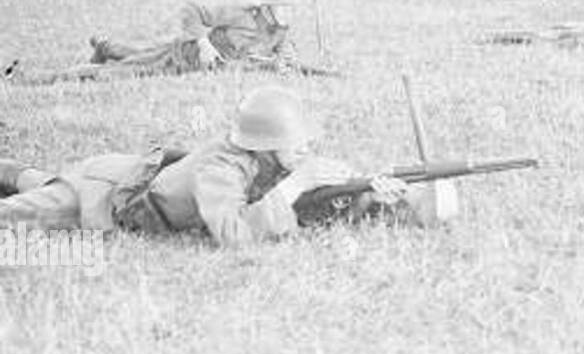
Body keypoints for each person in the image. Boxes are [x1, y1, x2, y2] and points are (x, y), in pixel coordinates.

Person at [0, 86, 421, 244]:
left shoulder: (280, 158)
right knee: (20, 214)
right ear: (266, 144)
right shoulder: (221, 169)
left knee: (33, 179)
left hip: (119, 169)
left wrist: (367, 189)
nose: (306, 147)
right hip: (99, 196)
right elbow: (233, 235)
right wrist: (296, 186)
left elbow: (321, 193)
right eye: (296, 141)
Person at [86, 0, 300, 76]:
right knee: (126, 69)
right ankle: (60, 76)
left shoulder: (279, 31)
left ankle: (106, 46)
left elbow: (284, 55)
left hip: (201, 67)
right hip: (183, 55)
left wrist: (285, 61)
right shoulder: (238, 14)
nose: (287, 15)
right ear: (265, 9)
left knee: (138, 53)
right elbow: (191, 9)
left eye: (288, 9)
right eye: (281, 8)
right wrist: (205, 45)